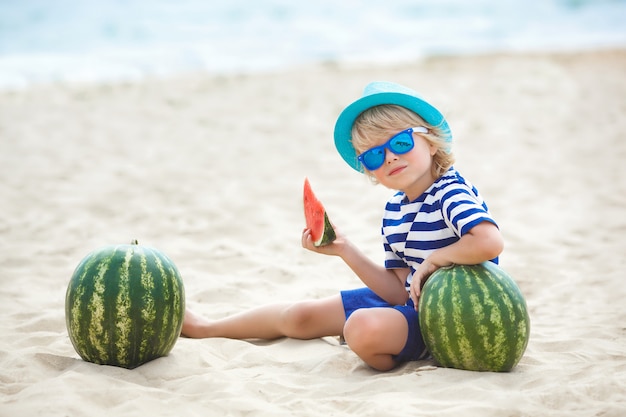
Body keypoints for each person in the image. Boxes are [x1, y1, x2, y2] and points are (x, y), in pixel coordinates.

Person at [182, 81, 504, 371]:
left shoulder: (449, 190)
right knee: (302, 316)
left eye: (401, 143)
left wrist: (433, 261)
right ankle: (206, 327)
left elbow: (489, 241)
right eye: (374, 156)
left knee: (361, 328)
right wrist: (344, 250)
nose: (390, 158)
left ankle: (402, 351)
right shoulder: (394, 209)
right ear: (369, 171)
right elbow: (397, 290)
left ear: (431, 143)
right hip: (411, 306)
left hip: (450, 319)